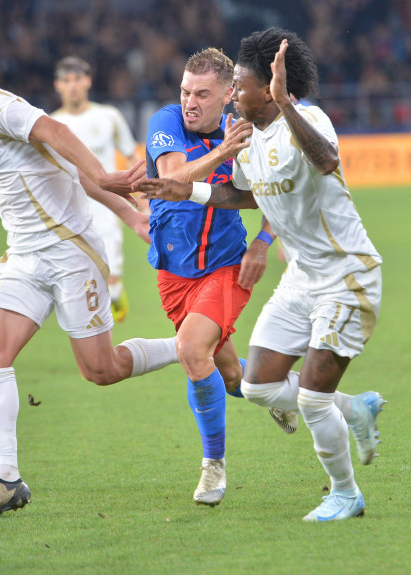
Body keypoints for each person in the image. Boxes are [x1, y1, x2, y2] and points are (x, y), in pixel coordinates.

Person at [0, 26, 179, 519]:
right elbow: (63, 168)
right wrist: (130, 214)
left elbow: (56, 134)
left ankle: (187, 347)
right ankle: (7, 480)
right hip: (25, 258)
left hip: (70, 254)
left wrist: (105, 177)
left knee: (102, 370)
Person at [137, 28, 386, 522]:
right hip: (300, 280)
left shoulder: (308, 119)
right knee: (256, 386)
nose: (234, 97)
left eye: (241, 88)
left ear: (269, 91)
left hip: (346, 276)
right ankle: (355, 408)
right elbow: (248, 195)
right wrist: (188, 193)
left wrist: (285, 106)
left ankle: (345, 493)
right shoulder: (245, 137)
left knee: (312, 400)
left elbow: (328, 160)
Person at [143, 47, 277, 507]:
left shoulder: (252, 135)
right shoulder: (166, 122)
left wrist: (264, 241)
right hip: (174, 274)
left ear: (229, 95)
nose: (189, 102)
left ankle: (213, 466)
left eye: (202, 94)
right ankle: (290, 395)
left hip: (225, 267)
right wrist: (222, 150)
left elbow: (281, 196)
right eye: (185, 91)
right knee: (232, 374)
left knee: (190, 349)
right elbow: (171, 179)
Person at [51, 56, 141, 323]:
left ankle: (113, 298)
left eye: (77, 79)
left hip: (108, 208)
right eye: (66, 81)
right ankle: (94, 333)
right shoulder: (52, 124)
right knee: (80, 280)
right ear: (58, 86)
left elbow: (131, 155)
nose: (73, 86)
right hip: (70, 210)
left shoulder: (108, 116)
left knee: (110, 281)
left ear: (88, 81)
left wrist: (143, 196)